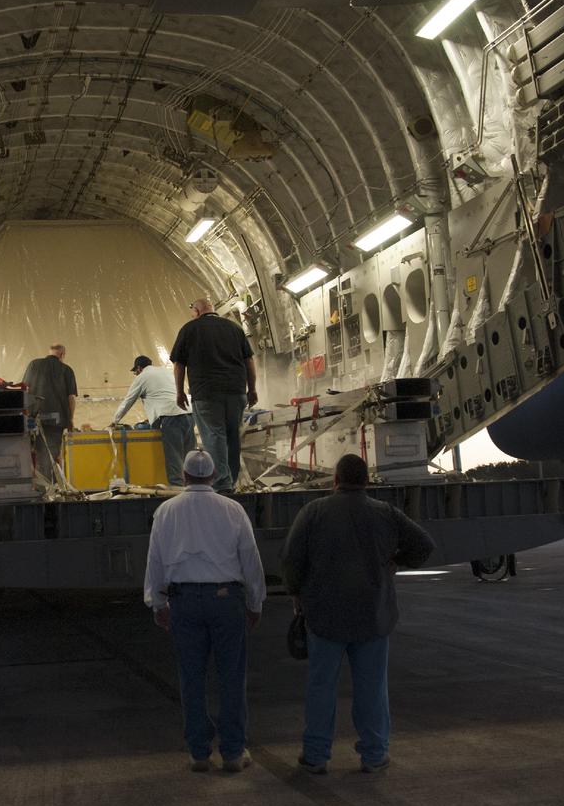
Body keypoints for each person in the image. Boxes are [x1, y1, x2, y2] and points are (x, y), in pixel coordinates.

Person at [280, 454, 436, 775]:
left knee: (322, 687)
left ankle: (316, 755)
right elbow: (424, 545)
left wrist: (296, 594)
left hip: (325, 617)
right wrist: (395, 561)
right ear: (366, 481)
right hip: (373, 616)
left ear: (335, 480)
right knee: (372, 688)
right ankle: (374, 754)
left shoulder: (314, 512)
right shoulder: (385, 513)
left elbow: (292, 559)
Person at [144, 449, 266, 773]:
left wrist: (158, 603)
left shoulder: (166, 511)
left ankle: (199, 752)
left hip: (183, 602)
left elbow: (155, 561)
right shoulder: (233, 510)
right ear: (213, 476)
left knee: (191, 678)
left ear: (183, 476)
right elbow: (250, 560)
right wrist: (255, 603)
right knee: (231, 677)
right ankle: (233, 753)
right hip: (227, 601)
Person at [170, 298, 257, 492]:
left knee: (214, 436)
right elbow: (249, 361)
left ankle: (222, 484)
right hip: (236, 392)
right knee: (233, 436)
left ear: (197, 311)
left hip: (206, 393)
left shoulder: (189, 329)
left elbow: (179, 364)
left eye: (193, 312)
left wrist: (179, 392)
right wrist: (252, 389)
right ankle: (231, 481)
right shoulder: (235, 329)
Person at [111, 354, 196, 485]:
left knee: (174, 458)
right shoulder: (166, 372)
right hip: (189, 414)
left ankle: (177, 491)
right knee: (189, 458)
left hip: (171, 417)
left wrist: (114, 421)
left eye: (135, 372)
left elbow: (128, 401)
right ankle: (194, 487)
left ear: (139, 368)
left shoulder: (142, 377)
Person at [21, 343, 78, 478]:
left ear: (50, 352)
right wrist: (70, 420)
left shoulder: (34, 364)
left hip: (34, 419)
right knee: (51, 456)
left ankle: (38, 487)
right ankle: (49, 490)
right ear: (62, 355)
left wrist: (26, 414)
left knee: (34, 454)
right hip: (56, 421)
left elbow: (25, 389)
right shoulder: (67, 370)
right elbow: (71, 398)